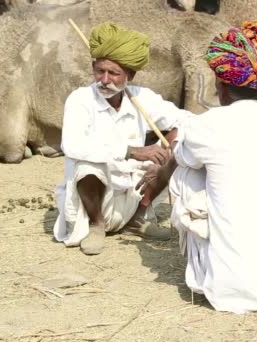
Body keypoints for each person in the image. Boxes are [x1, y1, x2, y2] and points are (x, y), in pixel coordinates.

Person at [137, 20, 257, 313]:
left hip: (232, 290)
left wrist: (160, 172)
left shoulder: (204, 127)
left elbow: (179, 157)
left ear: (220, 87)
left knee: (186, 167)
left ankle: (151, 214)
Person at [52, 22, 193, 255]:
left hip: (132, 193)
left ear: (130, 75)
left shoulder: (143, 98)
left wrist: (170, 153)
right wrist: (132, 151)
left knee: (177, 139)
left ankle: (137, 219)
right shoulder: (80, 99)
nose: (105, 80)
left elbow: (185, 120)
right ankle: (96, 226)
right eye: (100, 71)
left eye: (114, 73)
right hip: (93, 203)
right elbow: (72, 145)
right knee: (88, 164)